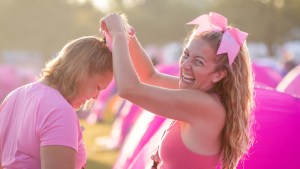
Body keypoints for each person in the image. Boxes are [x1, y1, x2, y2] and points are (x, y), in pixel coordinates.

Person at [100, 12, 255, 169]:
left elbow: (129, 89)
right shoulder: (201, 94)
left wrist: (118, 35)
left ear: (218, 75)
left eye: (199, 62)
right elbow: (149, 76)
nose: (185, 65)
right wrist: (128, 37)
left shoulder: (204, 105)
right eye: (186, 55)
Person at [0, 36, 113, 169]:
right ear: (82, 72)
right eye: (98, 87)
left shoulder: (15, 95)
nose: (96, 96)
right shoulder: (60, 111)